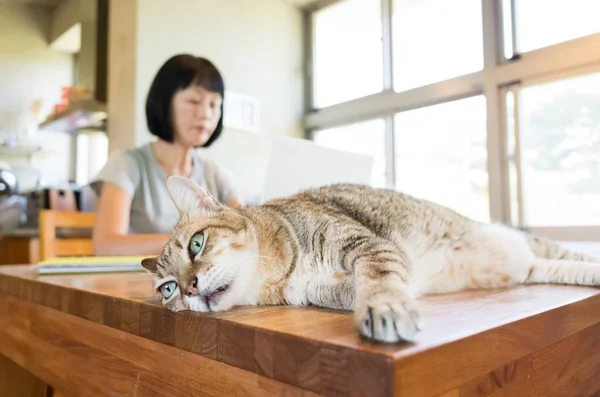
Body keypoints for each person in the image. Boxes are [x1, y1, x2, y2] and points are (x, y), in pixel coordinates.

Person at [90, 54, 243, 256]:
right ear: (164, 102)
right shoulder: (127, 164)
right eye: (194, 101)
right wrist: (188, 239)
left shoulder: (215, 174)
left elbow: (246, 233)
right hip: (139, 282)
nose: (206, 113)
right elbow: (106, 245)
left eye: (214, 104)